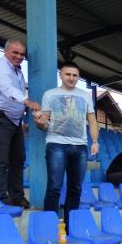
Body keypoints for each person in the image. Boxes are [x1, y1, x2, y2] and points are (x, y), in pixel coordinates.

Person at [34, 61, 99, 231]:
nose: (71, 78)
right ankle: (48, 227)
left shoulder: (85, 95)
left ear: (78, 77)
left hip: (80, 147)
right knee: (54, 187)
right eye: (68, 74)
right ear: (61, 75)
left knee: (75, 188)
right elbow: (44, 123)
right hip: (56, 145)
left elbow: (92, 120)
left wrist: (95, 141)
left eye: (75, 75)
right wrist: (39, 123)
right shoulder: (50, 94)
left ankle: (70, 227)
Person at [0, 39, 41, 208]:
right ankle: (0, 198)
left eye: (22, 54)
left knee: (18, 159)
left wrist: (20, 119)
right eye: (15, 52)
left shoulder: (18, 72)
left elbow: (14, 101)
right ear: (5, 51)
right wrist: (27, 101)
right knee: (2, 159)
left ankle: (17, 196)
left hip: (13, 121)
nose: (19, 56)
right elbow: (8, 90)